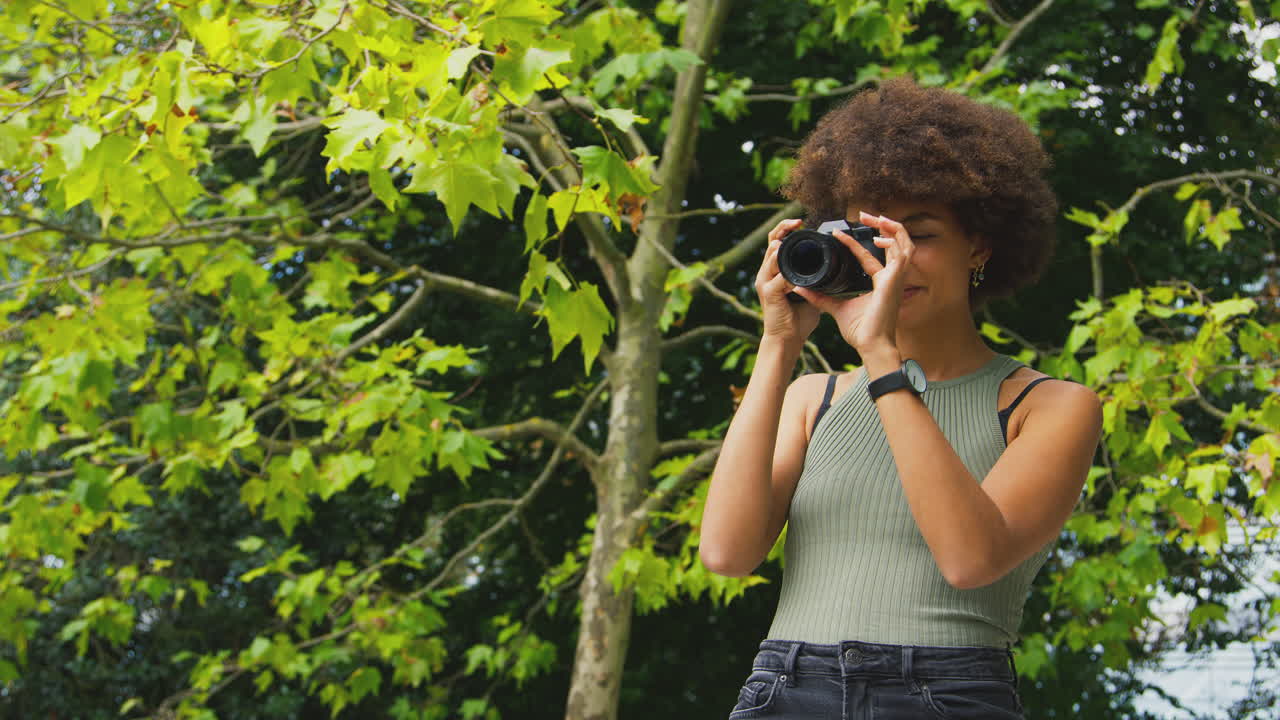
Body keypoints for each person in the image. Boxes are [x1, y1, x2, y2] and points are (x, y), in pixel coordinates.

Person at [699, 76, 1103, 719]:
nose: (896, 261)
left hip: (946, 694)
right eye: (872, 239)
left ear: (982, 246)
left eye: (921, 235)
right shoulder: (813, 398)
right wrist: (778, 343)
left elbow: (970, 559)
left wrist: (881, 354)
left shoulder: (1048, 406)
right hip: (785, 686)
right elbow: (726, 553)